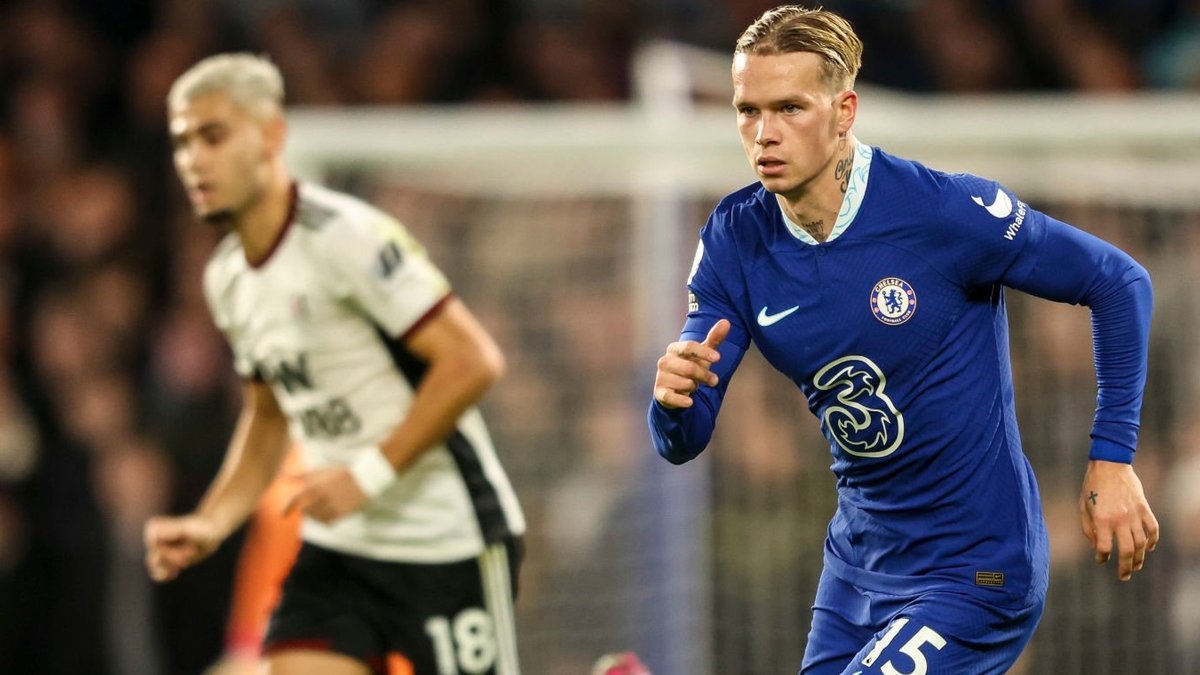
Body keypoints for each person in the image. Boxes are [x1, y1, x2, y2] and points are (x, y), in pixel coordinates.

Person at [647, 6, 1159, 675]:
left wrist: (1112, 458)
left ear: (844, 111)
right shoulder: (733, 239)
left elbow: (1118, 281)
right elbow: (683, 440)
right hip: (858, 570)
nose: (765, 133)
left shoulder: (940, 213)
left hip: (974, 572)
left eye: (790, 108)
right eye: (749, 111)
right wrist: (673, 400)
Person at [143, 53, 526, 675]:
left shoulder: (345, 236)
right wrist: (211, 521)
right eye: (183, 142)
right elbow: (268, 418)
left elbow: (473, 361)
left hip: (445, 539)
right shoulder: (228, 279)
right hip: (341, 550)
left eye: (213, 137)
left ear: (272, 136)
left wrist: (366, 476)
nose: (193, 160)